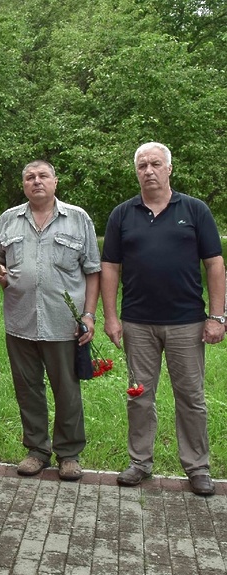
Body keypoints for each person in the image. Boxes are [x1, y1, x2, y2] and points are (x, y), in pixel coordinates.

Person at [102, 142, 225, 496]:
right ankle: (139, 462)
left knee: (191, 397)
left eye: (156, 164)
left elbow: (215, 265)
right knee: (139, 396)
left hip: (187, 322)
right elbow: (110, 267)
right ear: (136, 171)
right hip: (138, 323)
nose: (149, 170)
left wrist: (217, 316)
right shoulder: (122, 215)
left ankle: (198, 467)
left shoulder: (195, 210)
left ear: (169, 168)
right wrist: (111, 317)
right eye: (142, 165)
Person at [0, 160, 100, 481]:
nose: (36, 181)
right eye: (29, 177)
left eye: (43, 176)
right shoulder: (9, 220)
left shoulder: (78, 219)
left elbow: (93, 271)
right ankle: (37, 450)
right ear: (23, 184)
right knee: (28, 390)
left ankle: (68, 453)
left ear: (55, 181)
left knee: (67, 390)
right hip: (20, 322)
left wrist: (89, 315)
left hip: (63, 324)